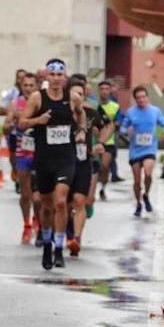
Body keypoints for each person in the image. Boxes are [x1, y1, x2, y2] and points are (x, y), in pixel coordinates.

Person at [19, 59, 80, 270]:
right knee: (45, 205)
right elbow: (22, 122)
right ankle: (47, 243)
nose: (55, 79)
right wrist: (38, 121)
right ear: (46, 77)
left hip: (66, 158)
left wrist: (80, 130)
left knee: (61, 202)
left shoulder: (72, 98)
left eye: (59, 75)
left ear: (64, 77)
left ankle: (59, 248)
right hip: (44, 159)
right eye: (52, 75)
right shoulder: (37, 98)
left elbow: (81, 116)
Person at [121, 85, 164, 215]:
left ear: (147, 97)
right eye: (138, 98)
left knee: (148, 174)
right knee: (137, 180)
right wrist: (127, 131)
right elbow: (122, 128)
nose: (141, 100)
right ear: (135, 99)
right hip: (135, 149)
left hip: (150, 148)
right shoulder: (131, 112)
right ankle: (138, 203)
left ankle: (146, 195)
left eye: (143, 97)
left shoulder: (155, 111)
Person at [66, 75, 101, 257]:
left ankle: (76, 239)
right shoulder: (60, 113)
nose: (78, 97)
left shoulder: (90, 112)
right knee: (63, 203)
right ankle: (67, 233)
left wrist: (99, 143)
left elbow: (107, 125)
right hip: (62, 162)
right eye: (74, 93)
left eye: (81, 93)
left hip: (83, 162)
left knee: (80, 200)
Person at [3, 70, 39, 243]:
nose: (28, 88)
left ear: (37, 86)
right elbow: (5, 128)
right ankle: (26, 225)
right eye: (25, 85)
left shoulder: (42, 102)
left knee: (39, 195)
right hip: (22, 152)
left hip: (41, 153)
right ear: (20, 86)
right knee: (25, 194)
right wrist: (13, 122)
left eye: (32, 85)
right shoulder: (15, 104)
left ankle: (38, 220)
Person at [95, 80, 122, 186]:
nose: (104, 92)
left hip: (109, 140)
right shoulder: (94, 105)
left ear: (110, 90)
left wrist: (116, 124)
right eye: (102, 89)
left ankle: (103, 186)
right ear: (98, 90)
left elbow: (118, 121)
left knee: (104, 166)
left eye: (107, 89)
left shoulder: (115, 106)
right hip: (94, 140)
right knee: (95, 166)